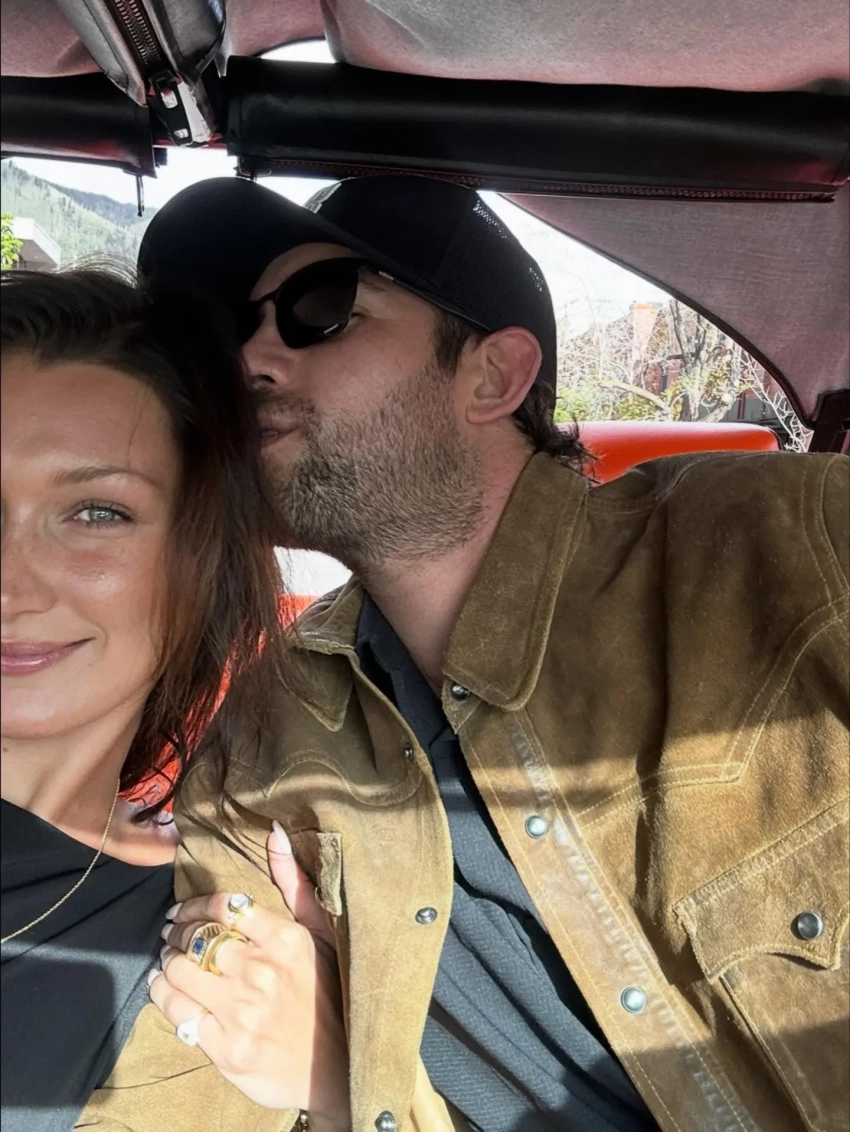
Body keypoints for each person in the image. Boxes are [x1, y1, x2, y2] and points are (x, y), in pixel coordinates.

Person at [126, 174, 846, 1132]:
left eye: (322, 309)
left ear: (495, 376)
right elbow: (174, 1086)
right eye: (238, 332)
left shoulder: (791, 543)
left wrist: (345, 1091)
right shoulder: (259, 742)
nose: (252, 359)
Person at [0, 266, 325, 1132]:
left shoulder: (237, 904)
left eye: (96, 513)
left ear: (198, 559)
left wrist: (337, 1085)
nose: (9, 583)